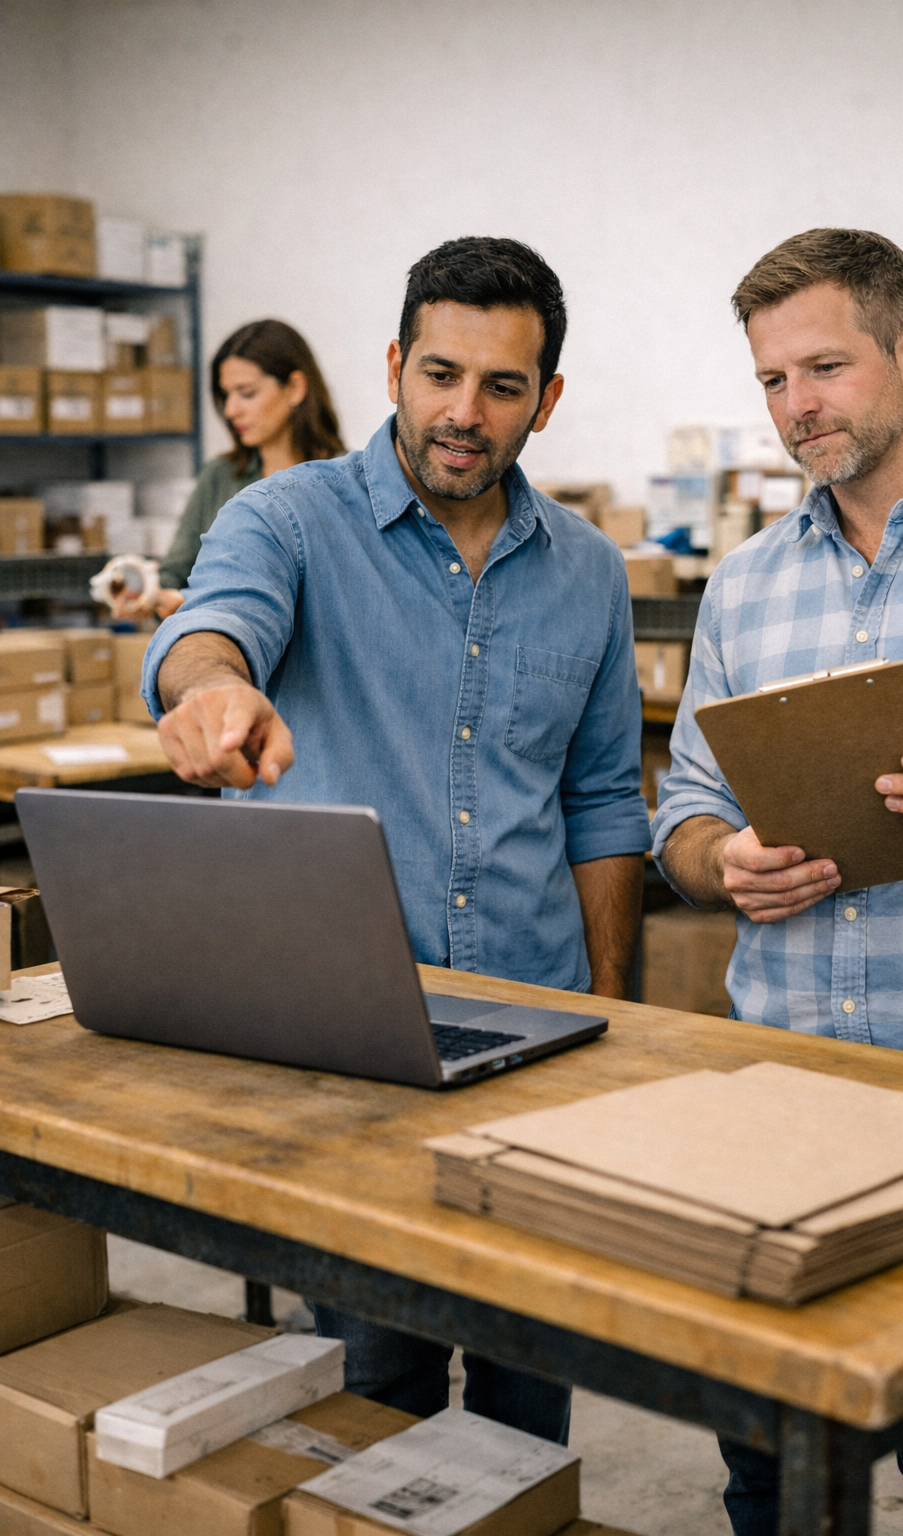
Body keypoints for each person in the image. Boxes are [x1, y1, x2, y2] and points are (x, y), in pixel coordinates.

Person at [142, 236, 652, 1443]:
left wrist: (622, 1025)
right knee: (375, 1398)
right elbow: (210, 632)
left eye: (502, 386)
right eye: (438, 374)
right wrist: (211, 693)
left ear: (548, 398)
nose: (462, 414)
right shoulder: (288, 520)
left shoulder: (588, 570)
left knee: (531, 1400)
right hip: (344, 1044)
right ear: (390, 366)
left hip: (541, 1039)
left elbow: (600, 806)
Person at [653, 228, 903, 1536]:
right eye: (770, 379)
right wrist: (725, 862)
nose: (796, 406)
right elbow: (684, 814)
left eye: (825, 366)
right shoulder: (746, 586)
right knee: (773, 1474)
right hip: (793, 1088)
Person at [116, 319, 345, 619]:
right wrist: (148, 593)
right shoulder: (220, 477)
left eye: (246, 393)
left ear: (295, 388)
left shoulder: (346, 483)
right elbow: (175, 575)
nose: (230, 410)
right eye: (226, 395)